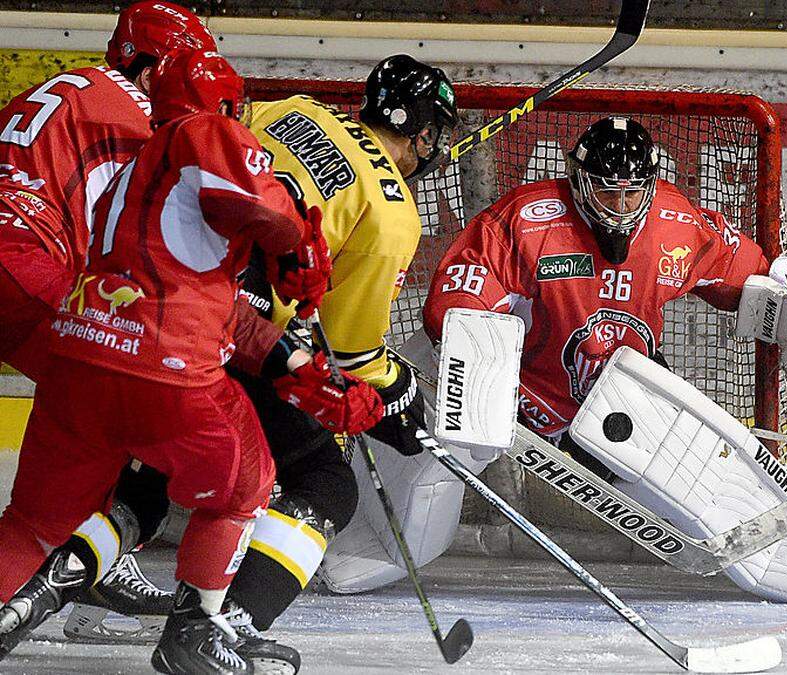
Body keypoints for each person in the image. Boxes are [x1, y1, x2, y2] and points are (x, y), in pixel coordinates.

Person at [0, 48, 380, 675]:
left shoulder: (125, 169)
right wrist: (300, 243)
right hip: (162, 370)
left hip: (76, 359)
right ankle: (195, 631)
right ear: (225, 104)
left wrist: (290, 364)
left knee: (37, 519)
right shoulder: (200, 131)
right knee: (246, 482)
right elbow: (254, 201)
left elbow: (206, 298)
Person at [410, 116, 787, 603]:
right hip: (525, 399)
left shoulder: (673, 224)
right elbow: (456, 300)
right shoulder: (528, 221)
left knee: (706, 487)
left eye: (633, 192)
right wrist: (479, 384)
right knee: (422, 453)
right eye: (607, 191)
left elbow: (743, 275)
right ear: (578, 178)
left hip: (624, 398)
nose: (620, 206)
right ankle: (361, 535)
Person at [180, 52, 457, 649]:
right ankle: (222, 629)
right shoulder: (392, 211)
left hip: (170, 303)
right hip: (243, 341)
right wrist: (397, 392)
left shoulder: (294, 110)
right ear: (426, 133)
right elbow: (351, 352)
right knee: (326, 481)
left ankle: (51, 583)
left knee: (154, 461)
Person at [0, 0, 221, 653]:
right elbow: (138, 243)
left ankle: (79, 553)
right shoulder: (132, 118)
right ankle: (80, 564)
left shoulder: (65, 87)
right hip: (21, 267)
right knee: (130, 385)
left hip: (19, 266)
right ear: (157, 70)